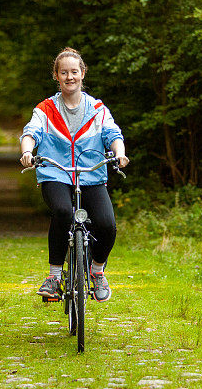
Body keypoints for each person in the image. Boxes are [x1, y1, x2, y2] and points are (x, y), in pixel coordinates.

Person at [19, 47, 129, 302]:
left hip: (90, 174)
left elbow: (113, 134)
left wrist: (119, 153)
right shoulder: (45, 108)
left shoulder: (97, 109)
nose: (70, 77)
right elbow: (31, 131)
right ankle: (54, 276)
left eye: (74, 72)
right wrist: (27, 151)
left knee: (107, 224)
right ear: (56, 76)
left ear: (82, 74)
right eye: (64, 72)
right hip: (55, 173)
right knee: (62, 212)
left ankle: (97, 271)